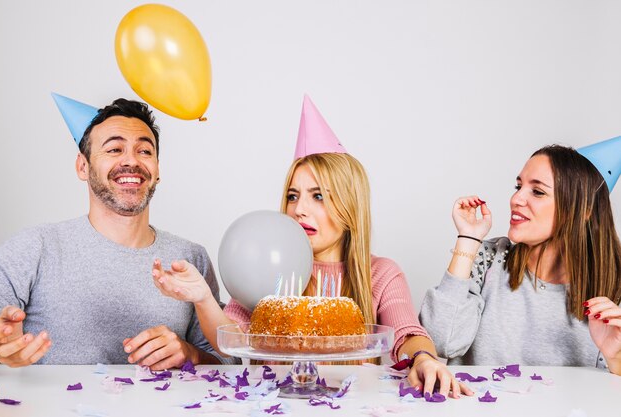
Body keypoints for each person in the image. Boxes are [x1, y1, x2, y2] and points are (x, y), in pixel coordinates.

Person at [153, 95, 473, 398]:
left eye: (318, 196)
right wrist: (203, 298)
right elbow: (232, 338)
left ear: (349, 206)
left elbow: (406, 331)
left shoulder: (381, 273)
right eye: (293, 195)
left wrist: (423, 359)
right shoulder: (268, 271)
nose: (299, 209)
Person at [0, 95, 233, 369]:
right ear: (83, 167)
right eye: (114, 149)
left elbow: (228, 361)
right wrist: (0, 349)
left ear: (157, 170)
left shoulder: (190, 258)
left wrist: (189, 354)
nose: (131, 161)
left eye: (145, 151)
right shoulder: (36, 247)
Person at [419, 143, 621, 375]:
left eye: (537, 191)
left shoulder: (614, 289)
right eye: (518, 186)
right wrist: (467, 239)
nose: (516, 198)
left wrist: (615, 357)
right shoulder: (488, 259)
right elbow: (440, 342)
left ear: (583, 209)